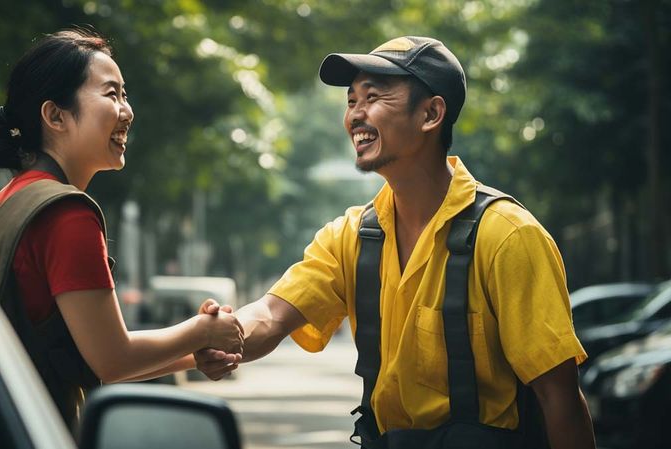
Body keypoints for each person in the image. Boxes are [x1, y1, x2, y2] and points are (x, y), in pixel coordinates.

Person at [196, 36, 596, 448]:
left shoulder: (508, 236)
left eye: (373, 97)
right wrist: (224, 336)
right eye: (351, 101)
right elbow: (273, 314)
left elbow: (559, 398)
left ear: (430, 114)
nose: (356, 114)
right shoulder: (351, 236)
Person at [0, 28, 243, 428]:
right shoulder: (66, 213)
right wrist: (201, 330)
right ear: (55, 115)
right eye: (111, 94)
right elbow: (113, 360)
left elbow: (86, 356)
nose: (127, 111)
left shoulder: (10, 199)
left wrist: (195, 350)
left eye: (125, 95)